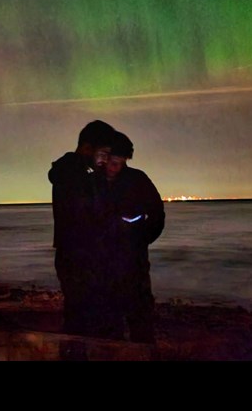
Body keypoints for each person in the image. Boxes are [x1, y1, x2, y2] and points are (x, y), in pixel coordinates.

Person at [48, 119, 118, 339]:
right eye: (103, 153)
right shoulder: (73, 171)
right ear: (87, 148)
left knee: (86, 317)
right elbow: (87, 212)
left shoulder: (81, 172)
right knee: (83, 319)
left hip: (83, 253)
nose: (106, 160)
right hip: (78, 255)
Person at [98, 130, 165, 343]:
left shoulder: (138, 180)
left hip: (133, 261)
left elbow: (157, 214)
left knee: (140, 315)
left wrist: (140, 240)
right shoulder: (92, 182)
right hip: (101, 261)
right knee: (108, 318)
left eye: (120, 162)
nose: (114, 167)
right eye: (111, 161)